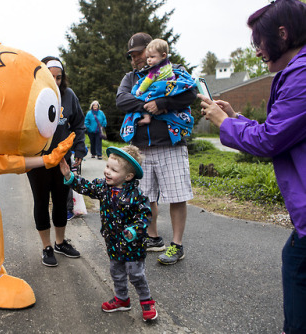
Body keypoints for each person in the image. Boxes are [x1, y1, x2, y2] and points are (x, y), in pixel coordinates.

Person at [198, 1, 306, 332]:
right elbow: (282, 130)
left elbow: (271, 140)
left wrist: (222, 124)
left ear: (283, 35)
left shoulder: (301, 76)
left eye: (258, 42)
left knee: (296, 265)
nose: (257, 51)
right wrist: (235, 118)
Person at [117, 32, 197, 265]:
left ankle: (177, 245)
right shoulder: (130, 78)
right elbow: (121, 100)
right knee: (145, 196)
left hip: (169, 146)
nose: (136, 59)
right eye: (131, 56)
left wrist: (163, 103)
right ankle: (153, 238)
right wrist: (148, 106)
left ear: (154, 50)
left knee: (176, 196)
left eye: (139, 53)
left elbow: (190, 93)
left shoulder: (173, 69)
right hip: (141, 148)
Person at [59, 145, 158, 321]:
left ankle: (146, 301)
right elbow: (86, 187)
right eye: (107, 166)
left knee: (136, 274)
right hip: (113, 242)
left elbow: (145, 215)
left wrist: (134, 230)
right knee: (116, 272)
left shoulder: (136, 195)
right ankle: (122, 299)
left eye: (113, 170)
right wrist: (69, 176)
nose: (107, 172)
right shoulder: (103, 187)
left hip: (132, 246)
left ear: (128, 176)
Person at [27, 56, 87, 267]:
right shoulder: (33, 95)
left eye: (59, 77)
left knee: (62, 201)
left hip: (62, 160)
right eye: (50, 76)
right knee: (41, 201)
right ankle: (46, 247)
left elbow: (78, 123)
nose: (55, 81)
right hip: (38, 160)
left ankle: (60, 242)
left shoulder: (68, 96)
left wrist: (80, 147)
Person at [134, 38, 176, 125]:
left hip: (158, 91)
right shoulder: (169, 64)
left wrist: (140, 91)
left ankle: (146, 116)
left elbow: (147, 82)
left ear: (163, 55)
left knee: (140, 97)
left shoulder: (155, 70)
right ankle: (164, 109)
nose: (149, 60)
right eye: (148, 57)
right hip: (169, 91)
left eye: (152, 57)